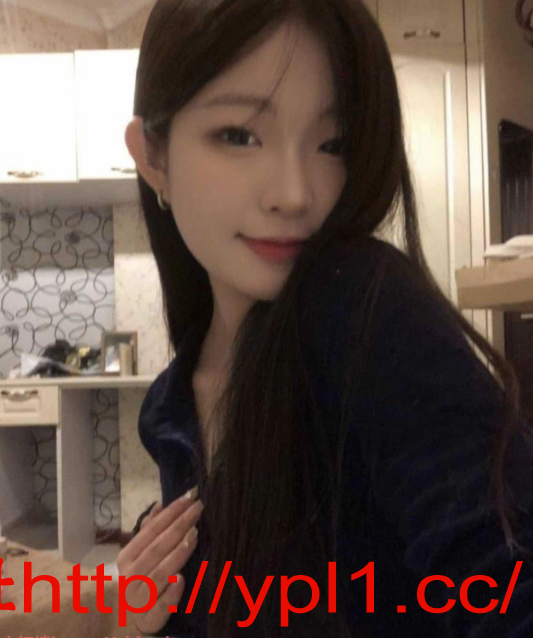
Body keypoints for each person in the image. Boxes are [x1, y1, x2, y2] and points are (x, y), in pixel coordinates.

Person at [118, 0, 533, 636]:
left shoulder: (363, 309)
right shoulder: (170, 409)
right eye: (239, 135)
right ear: (154, 157)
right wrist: (142, 621)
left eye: (333, 144)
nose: (295, 193)